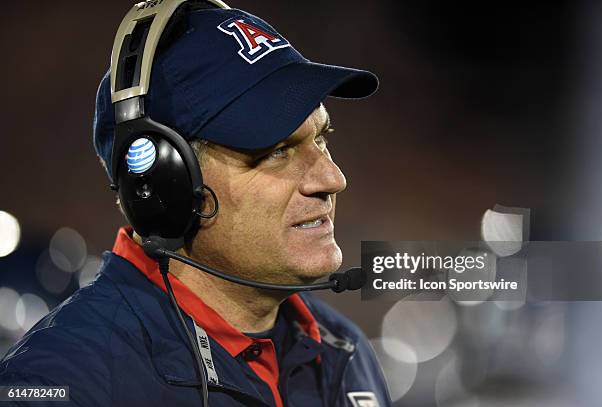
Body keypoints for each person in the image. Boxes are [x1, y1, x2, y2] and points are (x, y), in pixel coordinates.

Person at [0, 2, 390, 406]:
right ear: (167, 186)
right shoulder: (61, 383)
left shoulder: (346, 351)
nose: (332, 179)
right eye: (277, 151)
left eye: (321, 138)